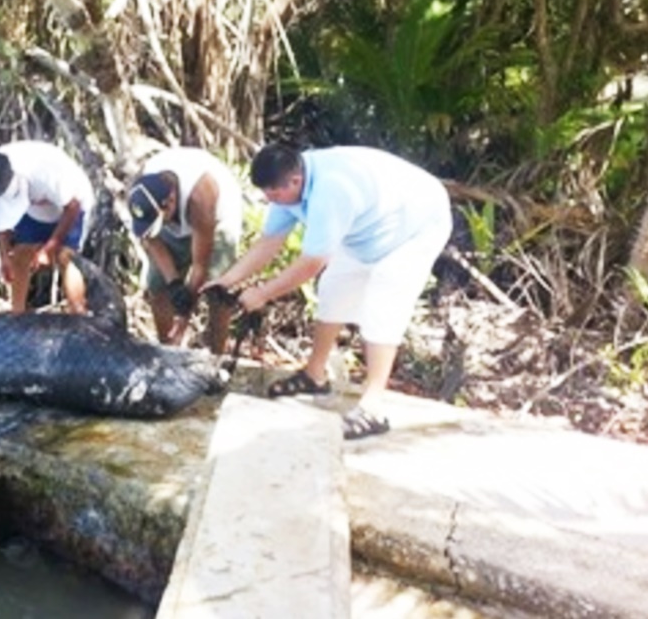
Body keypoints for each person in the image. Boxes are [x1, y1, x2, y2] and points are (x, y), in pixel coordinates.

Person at [205, 142, 451, 439]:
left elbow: (312, 262)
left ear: (295, 181)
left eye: (274, 193)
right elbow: (269, 242)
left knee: (382, 308)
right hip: (366, 229)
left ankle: (373, 407)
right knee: (333, 291)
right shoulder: (288, 188)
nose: (271, 200)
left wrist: (262, 294)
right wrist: (226, 281)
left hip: (416, 226)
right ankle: (314, 375)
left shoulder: (331, 190)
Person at [126, 147, 243, 354]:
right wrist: (174, 283)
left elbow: (200, 266)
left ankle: (217, 356)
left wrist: (184, 311)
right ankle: (168, 352)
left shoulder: (201, 197)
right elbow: (150, 240)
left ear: (170, 202)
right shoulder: (141, 192)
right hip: (174, 222)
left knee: (218, 290)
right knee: (157, 285)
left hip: (217, 220)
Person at [0, 141, 95, 313]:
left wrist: (50, 248)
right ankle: (18, 316)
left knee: (66, 257)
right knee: (20, 256)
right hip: (33, 209)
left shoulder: (44, 171)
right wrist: (5, 256)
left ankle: (79, 313)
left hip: (71, 205)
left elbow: (72, 207)